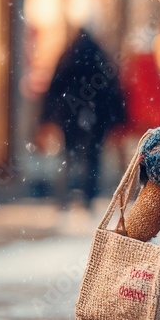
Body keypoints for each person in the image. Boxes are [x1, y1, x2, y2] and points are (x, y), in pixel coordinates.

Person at [37, 28, 126, 210]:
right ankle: (89, 195)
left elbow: (55, 88)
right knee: (93, 156)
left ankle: (65, 195)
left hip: (70, 113)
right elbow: (112, 91)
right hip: (96, 115)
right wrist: (117, 118)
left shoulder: (68, 57)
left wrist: (47, 116)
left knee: (69, 154)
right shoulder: (100, 57)